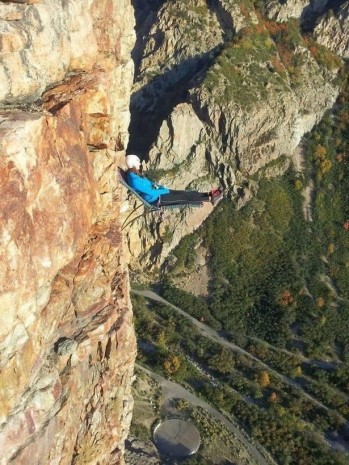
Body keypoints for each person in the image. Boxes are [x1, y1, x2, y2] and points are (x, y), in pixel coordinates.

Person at [125, 154, 223, 207]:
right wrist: (164, 190)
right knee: (184, 198)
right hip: (157, 199)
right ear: (133, 163)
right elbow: (150, 192)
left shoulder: (134, 175)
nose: (140, 165)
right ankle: (209, 198)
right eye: (138, 163)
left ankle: (208, 195)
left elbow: (150, 184)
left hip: (159, 193)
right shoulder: (134, 180)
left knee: (185, 193)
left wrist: (161, 187)